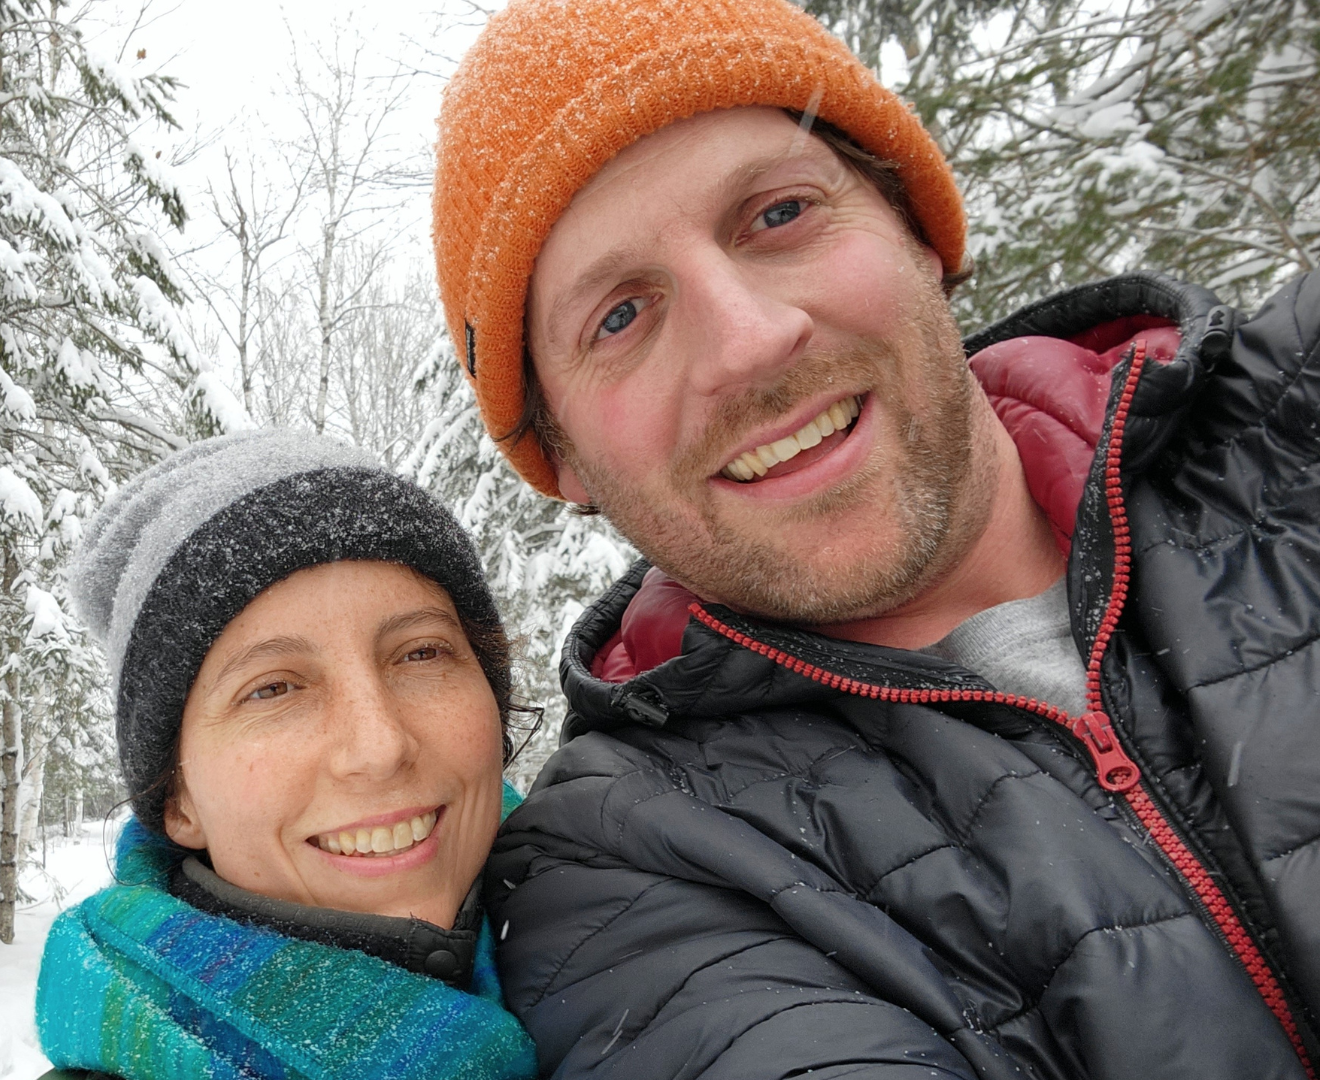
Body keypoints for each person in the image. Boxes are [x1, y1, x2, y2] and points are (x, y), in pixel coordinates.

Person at [429, 0, 1320, 1077]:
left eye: (778, 214)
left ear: (917, 227)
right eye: (619, 316)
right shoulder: (631, 874)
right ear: (563, 455)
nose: (750, 344)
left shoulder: (1295, 416)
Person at [33, 430, 537, 1080]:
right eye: (272, 688)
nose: (379, 748)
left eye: (421, 653)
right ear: (179, 800)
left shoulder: (616, 937)